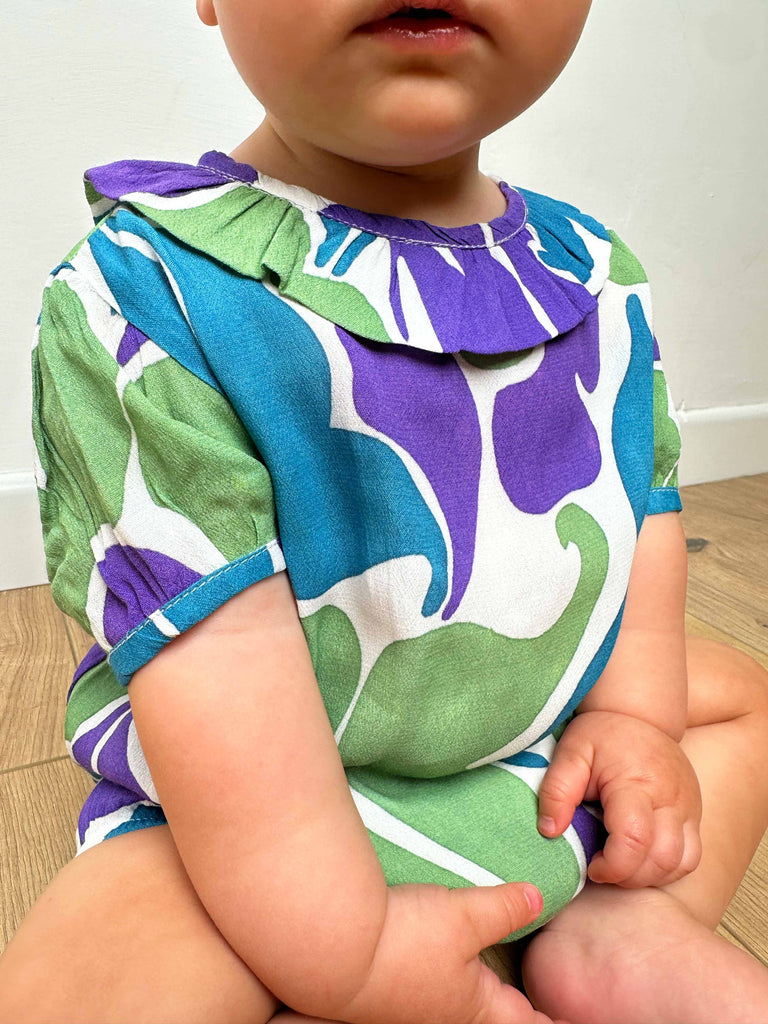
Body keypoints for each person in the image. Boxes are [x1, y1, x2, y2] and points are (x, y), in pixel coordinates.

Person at [3, 1, 768, 1020]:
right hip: (258, 822)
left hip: (537, 768)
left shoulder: (593, 275)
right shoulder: (151, 292)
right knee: (84, 984)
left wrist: (632, 722)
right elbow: (217, 661)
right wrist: (355, 957)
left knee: (741, 701)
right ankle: (414, 962)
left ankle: (616, 925)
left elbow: (645, 506)